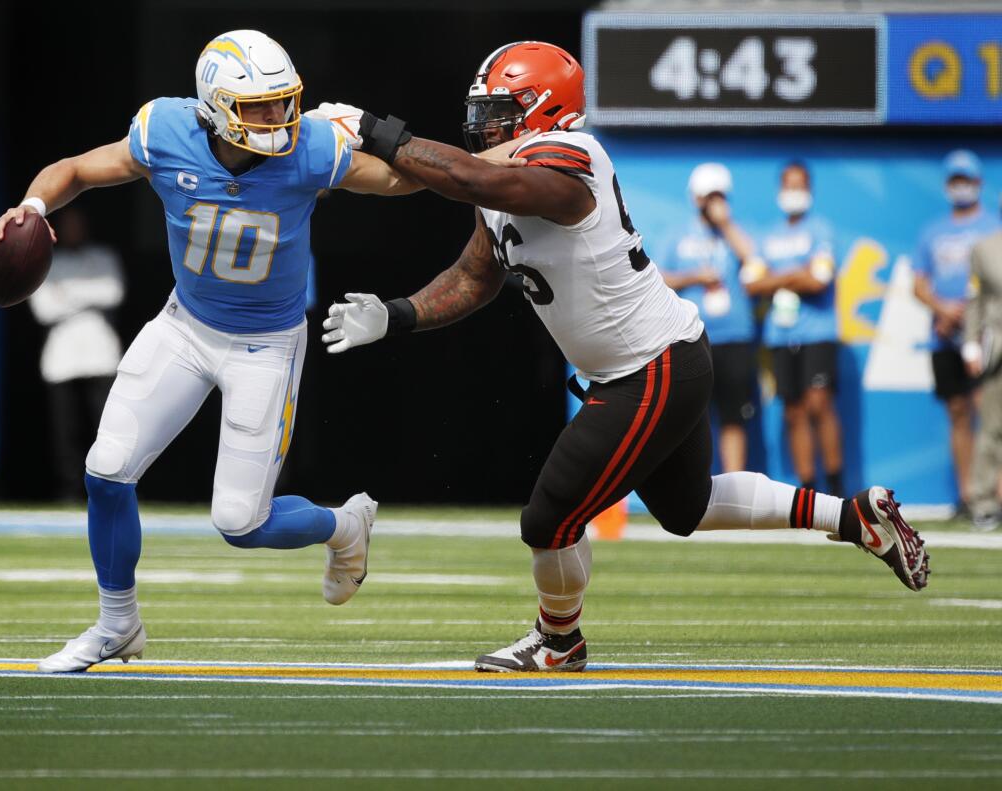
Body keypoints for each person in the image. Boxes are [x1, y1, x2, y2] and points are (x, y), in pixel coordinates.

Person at [314, 41, 930, 673]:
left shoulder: (574, 156)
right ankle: (852, 516)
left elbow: (478, 178)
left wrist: (375, 130)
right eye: (482, 112)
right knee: (686, 507)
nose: (483, 127)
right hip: (653, 361)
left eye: (499, 111)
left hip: (650, 367)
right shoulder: (503, 177)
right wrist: (398, 313)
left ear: (546, 110)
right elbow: (477, 275)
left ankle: (559, 641)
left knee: (548, 518)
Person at [0, 30, 428, 673]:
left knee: (240, 522)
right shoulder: (166, 130)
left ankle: (344, 525)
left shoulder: (311, 147)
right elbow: (77, 170)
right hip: (185, 326)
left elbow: (398, 182)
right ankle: (117, 625)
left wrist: (381, 132)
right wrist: (29, 206)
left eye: (285, 104)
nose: (279, 119)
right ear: (215, 106)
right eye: (262, 108)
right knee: (106, 469)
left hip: (265, 345)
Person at [745, 162, 844, 496]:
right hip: (780, 335)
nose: (793, 192)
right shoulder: (767, 235)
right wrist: (793, 273)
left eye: (799, 185)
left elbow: (819, 279)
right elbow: (752, 283)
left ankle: (835, 486)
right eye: (788, 185)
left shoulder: (822, 230)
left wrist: (777, 277)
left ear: (810, 190)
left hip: (818, 333)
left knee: (820, 406)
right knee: (794, 411)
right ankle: (808, 489)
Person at [913, 150, 1001, 517]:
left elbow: (987, 290)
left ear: (979, 183)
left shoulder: (992, 228)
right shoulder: (933, 231)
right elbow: (918, 283)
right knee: (958, 412)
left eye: (966, 179)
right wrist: (943, 310)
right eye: (954, 180)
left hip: (986, 337)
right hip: (944, 334)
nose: (960, 186)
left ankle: (994, 495)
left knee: (991, 412)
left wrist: (970, 316)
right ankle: (966, 495)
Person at [657, 163, 759, 472]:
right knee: (690, 418)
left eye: (718, 196)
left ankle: (736, 486)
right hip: (691, 337)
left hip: (735, 336)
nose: (713, 202)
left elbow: (753, 259)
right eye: (707, 196)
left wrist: (726, 225)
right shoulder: (677, 234)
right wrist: (695, 277)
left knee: (733, 416)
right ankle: (694, 486)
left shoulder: (736, 230)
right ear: (696, 197)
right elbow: (658, 278)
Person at [29, 207, 126, 502]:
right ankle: (70, 491)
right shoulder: (46, 263)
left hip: (102, 355)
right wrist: (89, 297)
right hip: (61, 359)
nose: (74, 231)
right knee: (66, 431)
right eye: (68, 226)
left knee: (107, 428)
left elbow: (114, 292)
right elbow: (43, 310)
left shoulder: (104, 257)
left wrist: (66, 294)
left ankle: (112, 489)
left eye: (78, 224)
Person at [965, 210, 1002, 530]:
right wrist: (971, 343)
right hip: (998, 347)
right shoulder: (985, 248)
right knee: (991, 427)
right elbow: (975, 299)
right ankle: (985, 501)